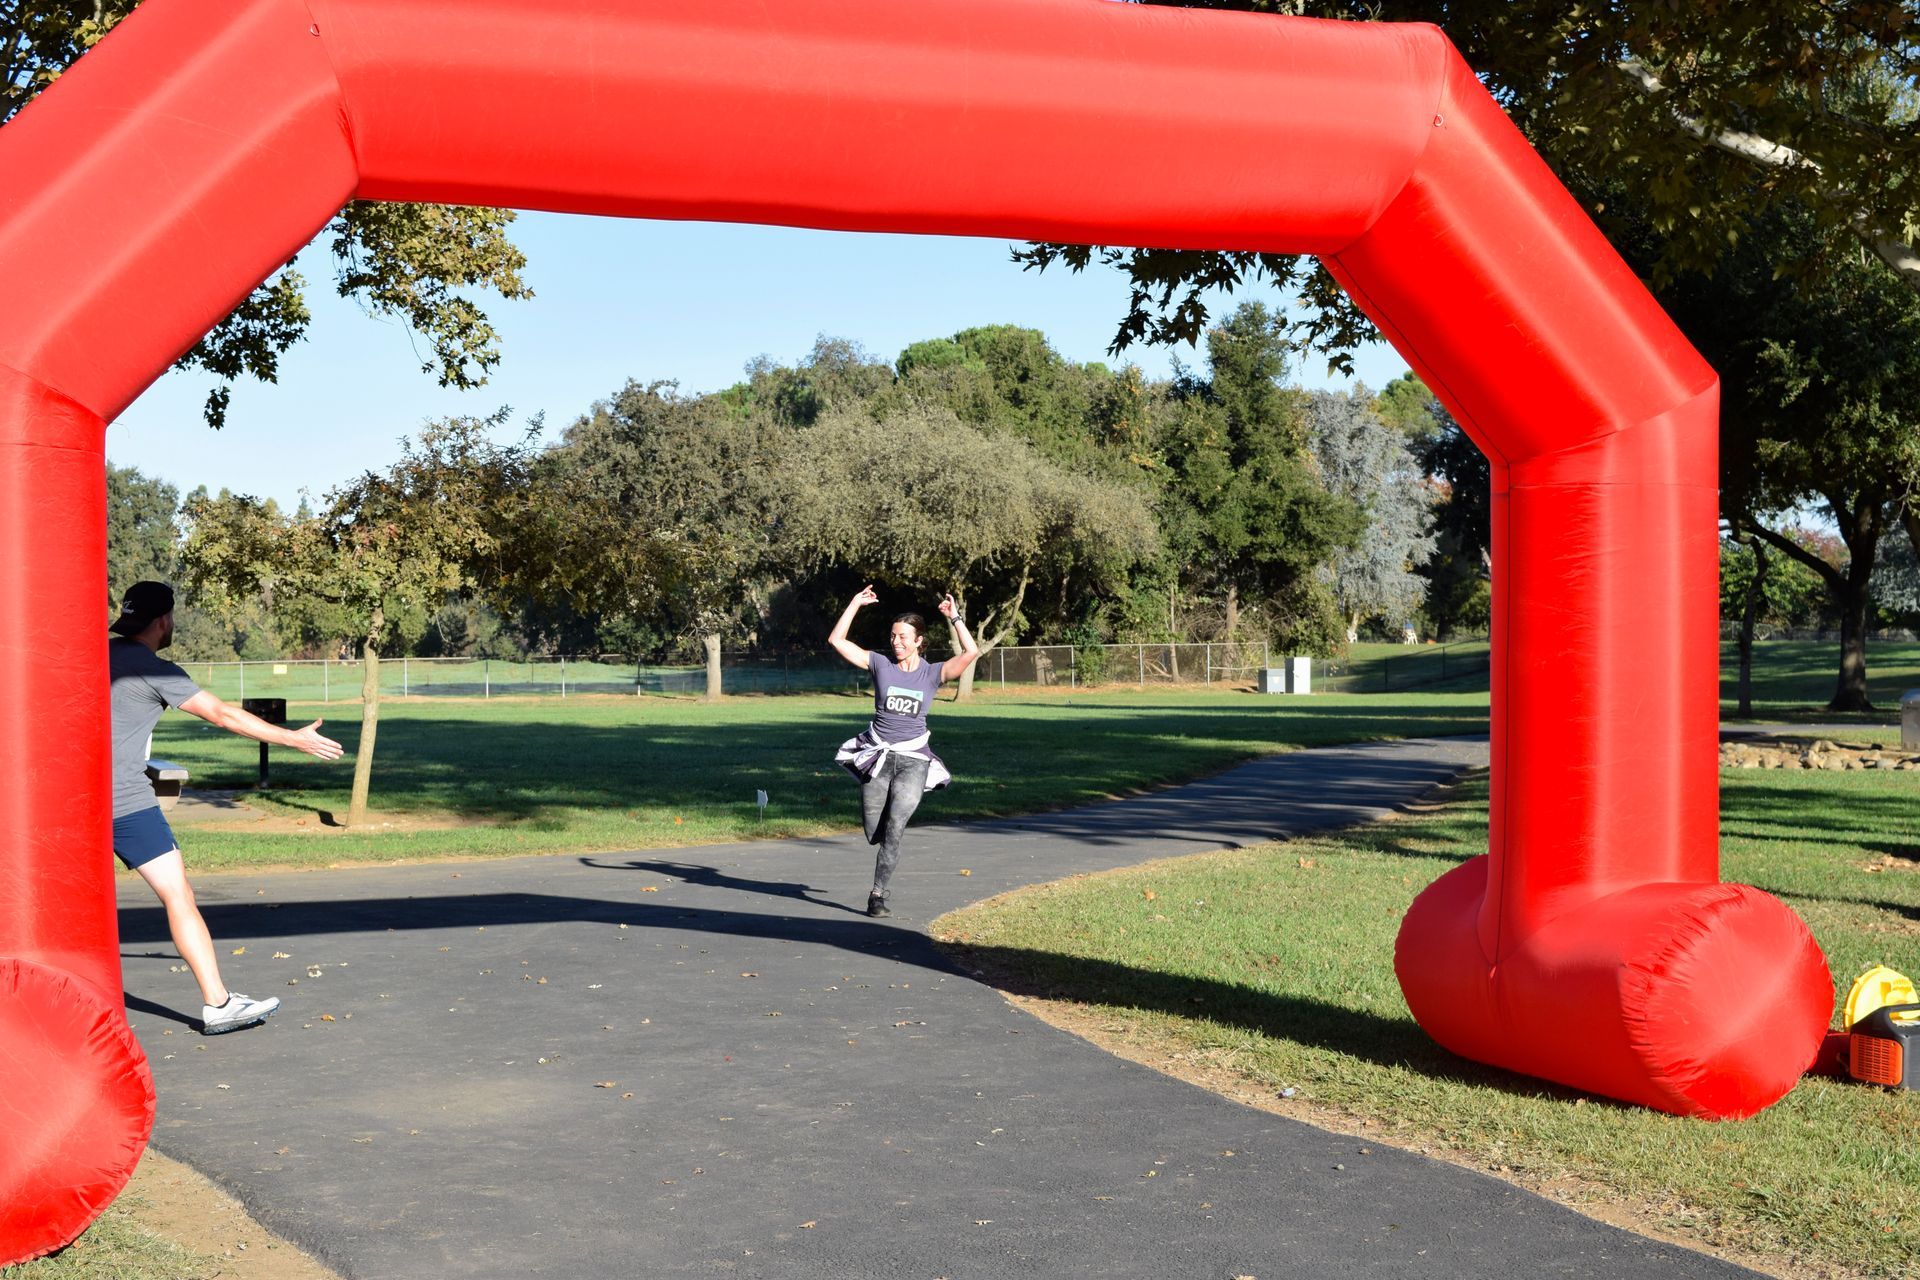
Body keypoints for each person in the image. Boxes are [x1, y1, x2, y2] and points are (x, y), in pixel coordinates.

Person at [108, 581, 344, 1033]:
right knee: (179, 897)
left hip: (72, 804)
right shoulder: (157, 670)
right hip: (127, 805)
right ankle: (218, 1004)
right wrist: (293, 737)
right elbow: (224, 715)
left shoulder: (92, 656)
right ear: (163, 621)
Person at [828, 586, 981, 917]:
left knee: (895, 828)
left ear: (918, 641)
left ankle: (877, 895)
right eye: (893, 636)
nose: (896, 641)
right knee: (874, 831)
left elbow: (971, 652)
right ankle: (884, 837)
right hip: (879, 759)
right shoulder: (881, 665)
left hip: (914, 760)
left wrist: (954, 617)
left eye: (902, 637)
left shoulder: (932, 673)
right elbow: (837, 641)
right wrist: (854, 602)